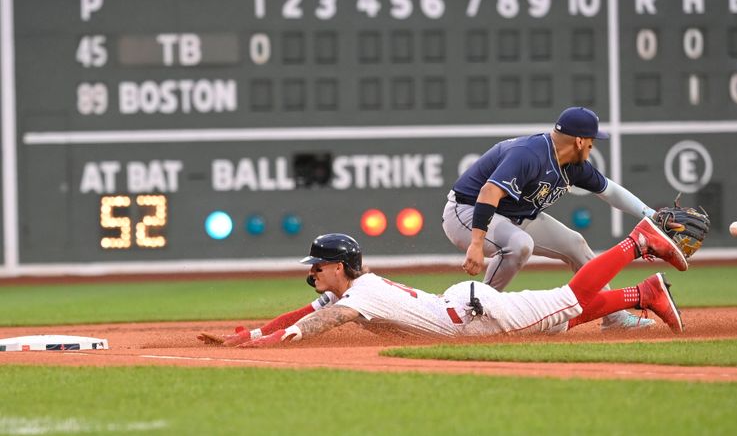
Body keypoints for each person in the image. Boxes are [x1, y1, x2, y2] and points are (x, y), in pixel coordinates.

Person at [197, 216, 692, 348]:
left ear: (341, 267)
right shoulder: (350, 288)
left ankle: (637, 242)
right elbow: (305, 312)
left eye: (318, 267)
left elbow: (327, 319)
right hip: (467, 316)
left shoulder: (360, 294)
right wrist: (252, 335)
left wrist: (281, 343)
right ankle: (641, 294)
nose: (312, 274)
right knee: (556, 321)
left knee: (569, 298)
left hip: (472, 315)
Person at [441, 106, 657, 331]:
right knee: (520, 244)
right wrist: (476, 243)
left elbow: (610, 191)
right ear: (580, 141)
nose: (593, 145)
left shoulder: (575, 166)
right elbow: (488, 193)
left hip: (513, 215)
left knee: (575, 244)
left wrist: (651, 214)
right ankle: (477, 312)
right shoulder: (529, 154)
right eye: (592, 139)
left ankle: (614, 318)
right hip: (466, 211)